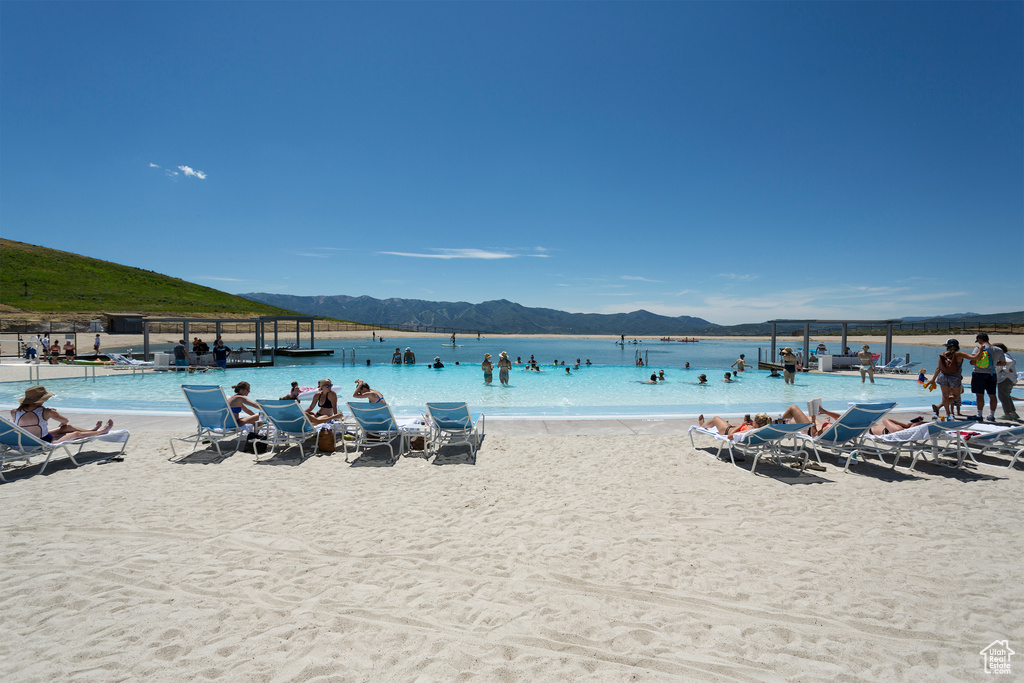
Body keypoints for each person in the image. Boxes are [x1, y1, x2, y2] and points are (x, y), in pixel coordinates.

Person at [11, 386, 114, 443]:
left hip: (23, 441)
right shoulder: (46, 412)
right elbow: (65, 421)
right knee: (75, 434)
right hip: (42, 442)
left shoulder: (14, 411)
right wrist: (54, 415)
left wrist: (50, 413)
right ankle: (102, 431)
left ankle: (91, 431)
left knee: (66, 428)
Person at [926, 338, 976, 420]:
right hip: (954, 377)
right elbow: (974, 358)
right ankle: (940, 408)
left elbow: (938, 368)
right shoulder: (959, 354)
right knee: (956, 395)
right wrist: (981, 349)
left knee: (945, 396)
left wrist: (933, 379)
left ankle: (947, 413)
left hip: (943, 376)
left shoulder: (943, 355)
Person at [968, 333, 1005, 421]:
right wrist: (993, 364)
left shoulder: (978, 348)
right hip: (992, 373)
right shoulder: (998, 349)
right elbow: (1003, 363)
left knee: (980, 395)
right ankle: (991, 415)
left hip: (979, 373)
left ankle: (979, 414)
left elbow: (972, 362)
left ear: (980, 339)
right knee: (992, 395)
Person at [697, 412, 770, 440]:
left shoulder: (749, 431)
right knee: (736, 424)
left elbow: (730, 436)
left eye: (754, 421)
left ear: (756, 423)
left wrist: (742, 425)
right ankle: (723, 424)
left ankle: (703, 425)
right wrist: (751, 424)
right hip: (733, 428)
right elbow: (752, 429)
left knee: (716, 418)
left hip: (726, 431)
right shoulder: (762, 429)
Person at [993, 342, 1018, 421]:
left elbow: (1010, 362)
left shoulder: (1003, 355)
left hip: (1005, 379)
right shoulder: (1006, 354)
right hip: (1010, 378)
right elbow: (1014, 361)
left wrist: (1004, 369)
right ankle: (1013, 412)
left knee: (1002, 396)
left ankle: (1007, 413)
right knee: (1007, 396)